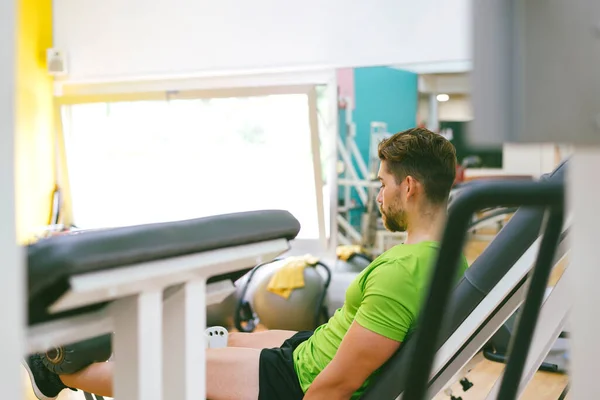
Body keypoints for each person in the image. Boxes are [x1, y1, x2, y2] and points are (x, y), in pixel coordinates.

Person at [24, 127, 469, 400]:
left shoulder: (401, 272)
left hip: (297, 380)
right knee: (221, 341)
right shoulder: (450, 261)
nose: (378, 194)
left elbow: (335, 387)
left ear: (408, 187)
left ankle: (60, 370)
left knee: (165, 374)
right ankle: (97, 345)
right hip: (307, 349)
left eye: (383, 184)